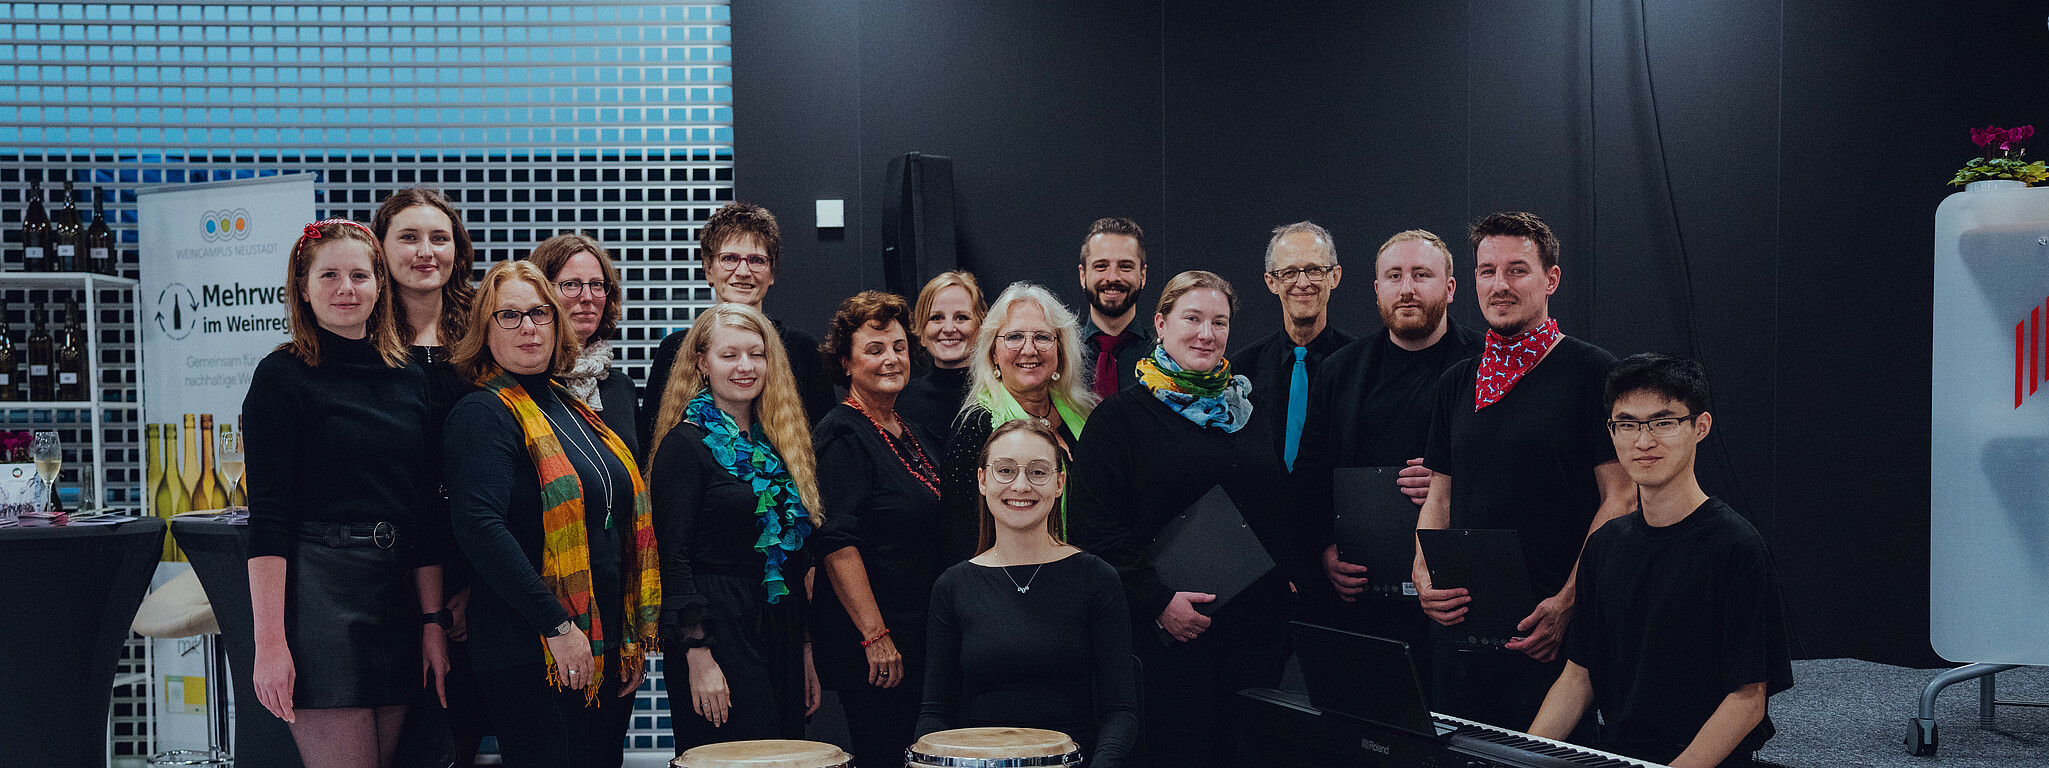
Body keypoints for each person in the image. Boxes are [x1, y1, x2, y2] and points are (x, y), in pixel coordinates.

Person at [1069, 270, 1311, 768]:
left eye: (1219, 322)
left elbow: (1277, 502)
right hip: (1172, 642)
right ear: (1160, 324)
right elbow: (1094, 527)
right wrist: (1158, 601)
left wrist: (1287, 577)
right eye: (1193, 319)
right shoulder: (1119, 418)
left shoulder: (1248, 411)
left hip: (1256, 644)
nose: (1207, 334)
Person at [1412, 212, 1634, 733]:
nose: (1500, 285)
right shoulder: (1457, 381)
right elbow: (1439, 495)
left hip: (1551, 632)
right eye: (1487, 271)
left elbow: (1621, 498)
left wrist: (1568, 602)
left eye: (1517, 270)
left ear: (1550, 279)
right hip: (1463, 630)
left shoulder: (1594, 372)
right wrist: (1421, 572)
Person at [243, 219, 447, 768]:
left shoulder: (408, 376)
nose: (346, 288)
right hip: (319, 598)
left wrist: (433, 622)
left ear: (380, 285)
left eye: (359, 275)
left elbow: (424, 509)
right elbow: (267, 519)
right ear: (303, 288)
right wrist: (270, 644)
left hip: (397, 596)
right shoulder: (281, 375)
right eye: (329, 275)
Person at [443, 260, 660, 768]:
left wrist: (624, 640)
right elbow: (480, 529)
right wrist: (558, 627)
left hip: (602, 639)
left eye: (539, 313)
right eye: (509, 315)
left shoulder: (570, 406)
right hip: (532, 645)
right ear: (484, 329)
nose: (529, 327)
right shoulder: (483, 413)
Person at [1528, 354, 1793, 767]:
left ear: (1700, 427)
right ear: (1611, 431)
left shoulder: (1737, 548)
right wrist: (1523, 755)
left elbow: (1747, 700)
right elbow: (1578, 677)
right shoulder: (1605, 546)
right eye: (1627, 425)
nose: (1643, 441)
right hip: (1620, 757)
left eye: (1663, 423)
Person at [1291, 229, 1482, 680]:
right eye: (1394, 276)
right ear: (1377, 289)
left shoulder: (1484, 364)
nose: (1407, 288)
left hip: (1456, 597)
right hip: (1363, 603)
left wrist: (1451, 480)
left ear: (1450, 288)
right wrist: (1323, 553)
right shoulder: (1340, 370)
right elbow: (1309, 476)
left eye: (1421, 275)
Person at [644, 303, 825, 752]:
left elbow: (793, 557)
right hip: (717, 628)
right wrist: (698, 654)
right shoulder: (683, 445)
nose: (746, 366)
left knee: (784, 755)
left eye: (756, 354)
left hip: (779, 624)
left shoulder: (778, 444)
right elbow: (673, 559)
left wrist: (805, 648)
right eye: (730, 355)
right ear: (702, 364)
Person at [917, 419, 1139, 768]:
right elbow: (935, 714)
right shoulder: (952, 586)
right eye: (1005, 470)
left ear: (1059, 483)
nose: (1021, 486)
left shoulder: (1097, 578)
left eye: (1037, 472)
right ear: (982, 480)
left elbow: (1121, 712)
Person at [810, 291, 949, 768]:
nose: (891, 358)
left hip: (919, 640)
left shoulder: (913, 431)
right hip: (878, 651)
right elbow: (837, 544)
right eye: (875, 349)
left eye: (898, 347)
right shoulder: (841, 434)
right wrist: (875, 636)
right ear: (846, 363)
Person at [372, 189, 482, 768]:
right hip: (388, 569)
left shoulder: (484, 336)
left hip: (474, 560)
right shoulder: (360, 340)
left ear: (457, 250)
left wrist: (477, 584)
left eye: (439, 238)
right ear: (380, 248)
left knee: (462, 732)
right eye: (409, 238)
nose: (425, 251)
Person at [938, 282, 1097, 562]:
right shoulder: (976, 427)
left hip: (1082, 572)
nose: (1029, 349)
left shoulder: (1083, 415)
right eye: (1014, 337)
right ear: (993, 353)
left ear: (1060, 350)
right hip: (1011, 580)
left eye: (1043, 337)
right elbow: (964, 538)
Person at [646, 203, 836, 433]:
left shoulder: (804, 351)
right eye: (729, 258)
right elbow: (651, 441)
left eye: (757, 260)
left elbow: (821, 443)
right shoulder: (674, 350)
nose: (743, 272)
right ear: (708, 270)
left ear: (772, 274)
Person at [1230, 221, 1354, 470]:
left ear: (1335, 276)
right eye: (1289, 273)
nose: (1303, 282)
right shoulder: (1242, 370)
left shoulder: (1361, 366)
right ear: (1271, 282)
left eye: (1314, 270)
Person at [529, 232, 643, 458]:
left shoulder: (621, 387)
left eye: (597, 284)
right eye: (571, 284)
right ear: (540, 293)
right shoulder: (527, 382)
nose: (588, 296)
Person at [896, 271, 987, 443]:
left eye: (961, 318)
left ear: (980, 327)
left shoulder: (1000, 395)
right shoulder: (899, 402)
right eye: (936, 318)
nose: (949, 328)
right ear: (921, 331)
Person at [1076, 217, 1153, 399]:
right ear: (1083, 275)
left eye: (1125, 267)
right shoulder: (1060, 357)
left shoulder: (1163, 359)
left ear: (1142, 276)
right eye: (1101, 266)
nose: (1112, 277)